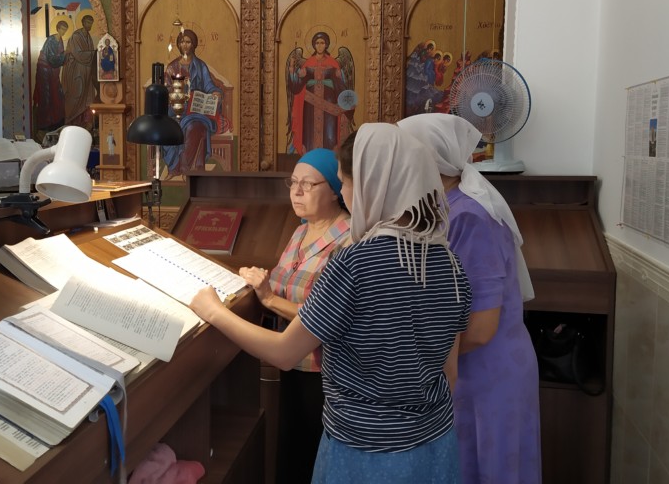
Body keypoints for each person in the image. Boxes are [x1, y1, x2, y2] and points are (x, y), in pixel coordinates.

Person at [190, 123, 471, 483]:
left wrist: (213, 311)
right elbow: (450, 371)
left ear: (370, 184)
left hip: (364, 451)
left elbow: (284, 353)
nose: (345, 194)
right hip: (434, 444)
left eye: (345, 183)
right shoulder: (450, 263)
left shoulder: (355, 262)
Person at [398, 113, 541, 484]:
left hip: (488, 373)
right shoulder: (442, 208)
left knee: (487, 469)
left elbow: (480, 327)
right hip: (460, 366)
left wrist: (411, 359)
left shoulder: (471, 217)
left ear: (429, 161)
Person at [238, 148, 351, 484]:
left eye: (308, 184)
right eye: (293, 183)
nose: (297, 192)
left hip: (325, 371)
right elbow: (281, 282)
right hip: (290, 361)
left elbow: (328, 316)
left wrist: (269, 297)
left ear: (334, 190)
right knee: (291, 453)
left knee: (315, 456)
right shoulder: (301, 231)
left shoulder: (349, 239)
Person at [161, 29, 230, 176]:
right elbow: (166, 90)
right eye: (182, 42)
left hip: (196, 111)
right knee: (169, 128)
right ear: (178, 44)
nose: (185, 45)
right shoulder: (172, 67)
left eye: (188, 42)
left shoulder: (200, 66)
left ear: (194, 44)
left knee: (195, 127)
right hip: (176, 109)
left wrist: (215, 92)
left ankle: (184, 167)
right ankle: (176, 166)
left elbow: (209, 85)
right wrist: (175, 95)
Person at [287, 32, 352, 155]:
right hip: (310, 104)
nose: (319, 45)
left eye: (322, 43)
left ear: (326, 44)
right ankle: (310, 158)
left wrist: (347, 101)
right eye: (317, 43)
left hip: (329, 103)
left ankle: (329, 157)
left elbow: (340, 84)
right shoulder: (308, 63)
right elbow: (297, 86)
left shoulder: (333, 63)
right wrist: (291, 70)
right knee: (310, 132)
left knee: (330, 132)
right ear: (313, 45)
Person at [33, 21, 69, 140]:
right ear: (57, 28)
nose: (63, 31)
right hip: (44, 71)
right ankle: (44, 126)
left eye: (65, 29)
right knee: (46, 97)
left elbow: (59, 58)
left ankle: (56, 123)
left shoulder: (60, 40)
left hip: (52, 73)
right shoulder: (51, 40)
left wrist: (65, 55)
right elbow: (52, 59)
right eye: (62, 29)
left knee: (58, 95)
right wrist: (65, 55)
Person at [62, 14, 98, 128]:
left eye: (91, 23)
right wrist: (95, 53)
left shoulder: (88, 36)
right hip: (76, 73)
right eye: (87, 22)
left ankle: (85, 123)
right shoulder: (76, 36)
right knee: (76, 95)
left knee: (86, 97)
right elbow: (78, 54)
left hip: (86, 72)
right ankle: (71, 123)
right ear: (82, 23)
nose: (89, 25)